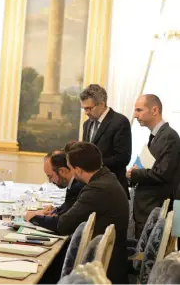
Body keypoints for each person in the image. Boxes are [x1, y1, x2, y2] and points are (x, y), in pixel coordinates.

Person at [26, 142, 129, 284]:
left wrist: (34, 218)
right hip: (107, 260)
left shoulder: (96, 189)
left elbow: (63, 225)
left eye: (71, 167)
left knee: (40, 269)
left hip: (102, 269)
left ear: (78, 170)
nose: (70, 172)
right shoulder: (106, 177)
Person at [127, 94, 180, 238]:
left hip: (155, 209)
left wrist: (134, 174)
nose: (135, 115)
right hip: (147, 209)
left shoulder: (169, 136)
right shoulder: (157, 136)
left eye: (139, 110)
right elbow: (147, 166)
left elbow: (162, 173)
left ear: (154, 110)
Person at [80, 84, 132, 199]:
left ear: (102, 104)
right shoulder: (87, 124)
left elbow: (122, 158)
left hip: (113, 189)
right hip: (91, 188)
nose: (86, 112)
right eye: (84, 108)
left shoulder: (120, 122)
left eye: (89, 108)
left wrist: (93, 164)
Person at [26, 150, 83, 221]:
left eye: (50, 176)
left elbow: (63, 223)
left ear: (62, 171)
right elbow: (67, 208)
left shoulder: (78, 187)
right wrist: (55, 210)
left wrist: (33, 217)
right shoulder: (73, 183)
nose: (49, 181)